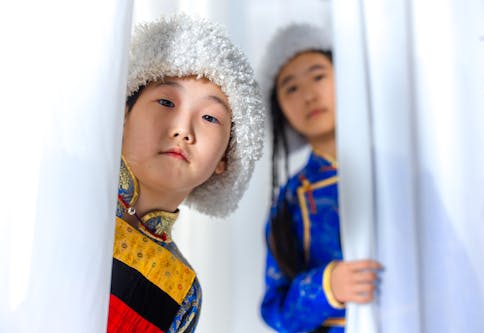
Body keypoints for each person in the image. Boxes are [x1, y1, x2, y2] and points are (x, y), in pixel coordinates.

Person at [107, 14, 264, 333]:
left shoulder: (182, 290)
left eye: (209, 118)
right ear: (124, 115)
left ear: (225, 157)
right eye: (166, 101)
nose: (182, 129)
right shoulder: (65, 203)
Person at [259, 23, 381, 333]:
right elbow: (276, 313)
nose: (310, 95)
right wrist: (328, 287)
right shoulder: (288, 201)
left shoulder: (396, 170)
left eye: (318, 76)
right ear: (280, 108)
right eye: (291, 88)